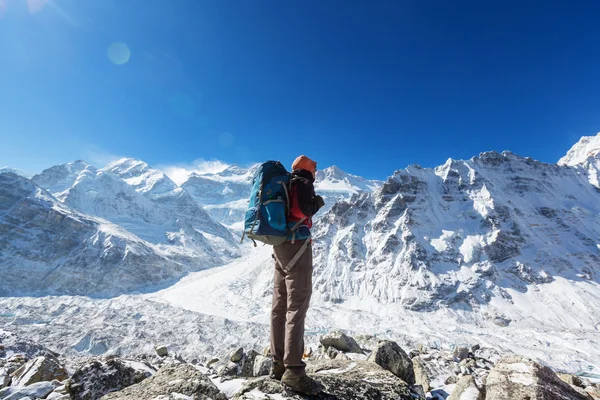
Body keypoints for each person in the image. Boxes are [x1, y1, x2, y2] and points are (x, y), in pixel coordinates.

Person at [269, 155, 325, 395]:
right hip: (298, 248)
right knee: (296, 308)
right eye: (314, 168)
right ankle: (294, 371)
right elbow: (302, 209)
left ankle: (277, 364)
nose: (316, 171)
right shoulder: (303, 182)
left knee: (279, 306)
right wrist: (317, 204)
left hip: (280, 246)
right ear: (308, 169)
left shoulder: (286, 183)